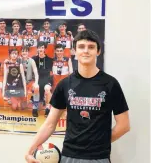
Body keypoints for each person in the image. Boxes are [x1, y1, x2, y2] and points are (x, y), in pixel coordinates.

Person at [25, 30, 130, 163]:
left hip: (98, 158)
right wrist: (29, 151)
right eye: (81, 47)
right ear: (74, 51)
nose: (86, 51)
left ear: (98, 51)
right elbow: (50, 124)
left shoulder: (110, 84)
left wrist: (100, 143)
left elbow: (124, 125)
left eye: (91, 47)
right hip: (69, 156)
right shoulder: (65, 84)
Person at [44, 43, 73, 116]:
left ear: (63, 51)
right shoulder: (52, 60)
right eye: (58, 51)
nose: (59, 52)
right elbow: (49, 73)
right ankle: (47, 108)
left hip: (64, 84)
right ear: (55, 52)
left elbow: (71, 72)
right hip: (54, 82)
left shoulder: (67, 59)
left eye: (61, 51)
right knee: (46, 88)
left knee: (64, 113)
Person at [32, 41, 53, 114]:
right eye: (39, 47)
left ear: (45, 49)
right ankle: (35, 108)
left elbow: (51, 73)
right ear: (37, 49)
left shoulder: (50, 60)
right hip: (37, 80)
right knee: (36, 87)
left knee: (47, 89)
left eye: (42, 47)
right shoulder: (33, 59)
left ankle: (47, 108)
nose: (41, 49)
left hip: (46, 79)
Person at [21, 46, 39, 117]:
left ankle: (35, 108)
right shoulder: (19, 60)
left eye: (26, 51)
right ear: (21, 53)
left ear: (28, 53)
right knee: (23, 107)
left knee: (36, 87)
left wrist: (36, 82)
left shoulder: (32, 61)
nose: (24, 52)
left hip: (30, 81)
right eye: (23, 51)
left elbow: (36, 73)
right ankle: (18, 98)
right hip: (22, 83)